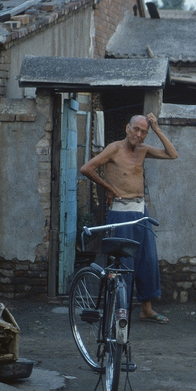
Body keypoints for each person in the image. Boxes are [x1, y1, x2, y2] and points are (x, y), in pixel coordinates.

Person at [80, 113, 178, 324]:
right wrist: (108, 187)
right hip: (120, 213)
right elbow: (86, 168)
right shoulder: (114, 149)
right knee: (123, 262)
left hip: (141, 213)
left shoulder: (142, 150)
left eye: (144, 132)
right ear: (127, 128)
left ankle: (147, 309)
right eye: (136, 129)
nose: (139, 135)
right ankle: (120, 311)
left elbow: (172, 154)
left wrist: (157, 130)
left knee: (148, 260)